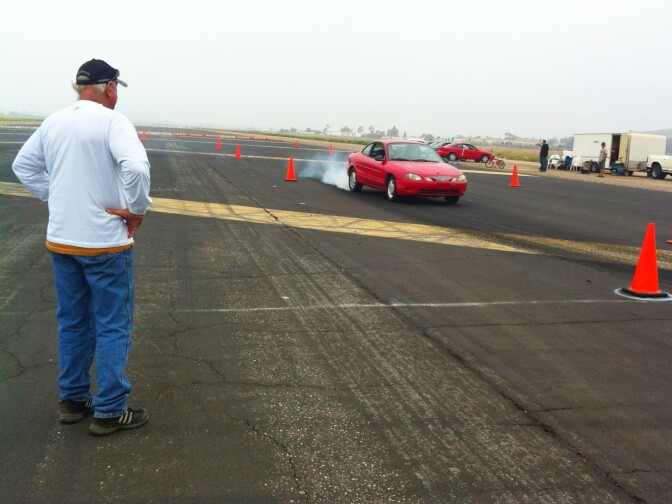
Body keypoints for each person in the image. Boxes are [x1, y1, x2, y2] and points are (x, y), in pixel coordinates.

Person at [12, 59, 152, 436]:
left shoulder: (54, 121)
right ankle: (109, 409)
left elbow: (22, 166)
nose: (116, 94)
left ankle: (73, 399)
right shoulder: (112, 121)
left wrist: (55, 196)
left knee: (72, 321)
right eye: (116, 87)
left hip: (62, 240)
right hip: (105, 243)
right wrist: (135, 210)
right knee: (112, 324)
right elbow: (136, 170)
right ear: (108, 87)